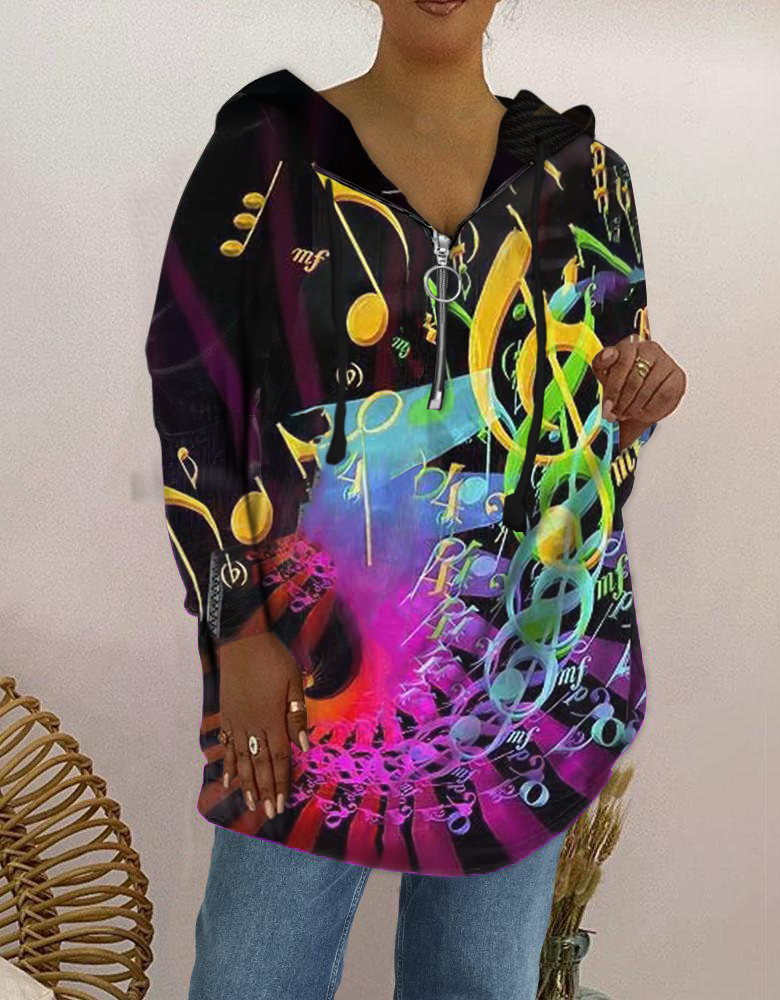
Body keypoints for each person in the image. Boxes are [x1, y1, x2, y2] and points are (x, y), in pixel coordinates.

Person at [144, 2, 686, 996]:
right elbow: (191, 395)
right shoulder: (266, 158)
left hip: (520, 682)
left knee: (477, 982)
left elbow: (594, 431)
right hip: (308, 678)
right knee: (250, 977)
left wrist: (640, 393)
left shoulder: (590, 181)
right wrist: (236, 626)